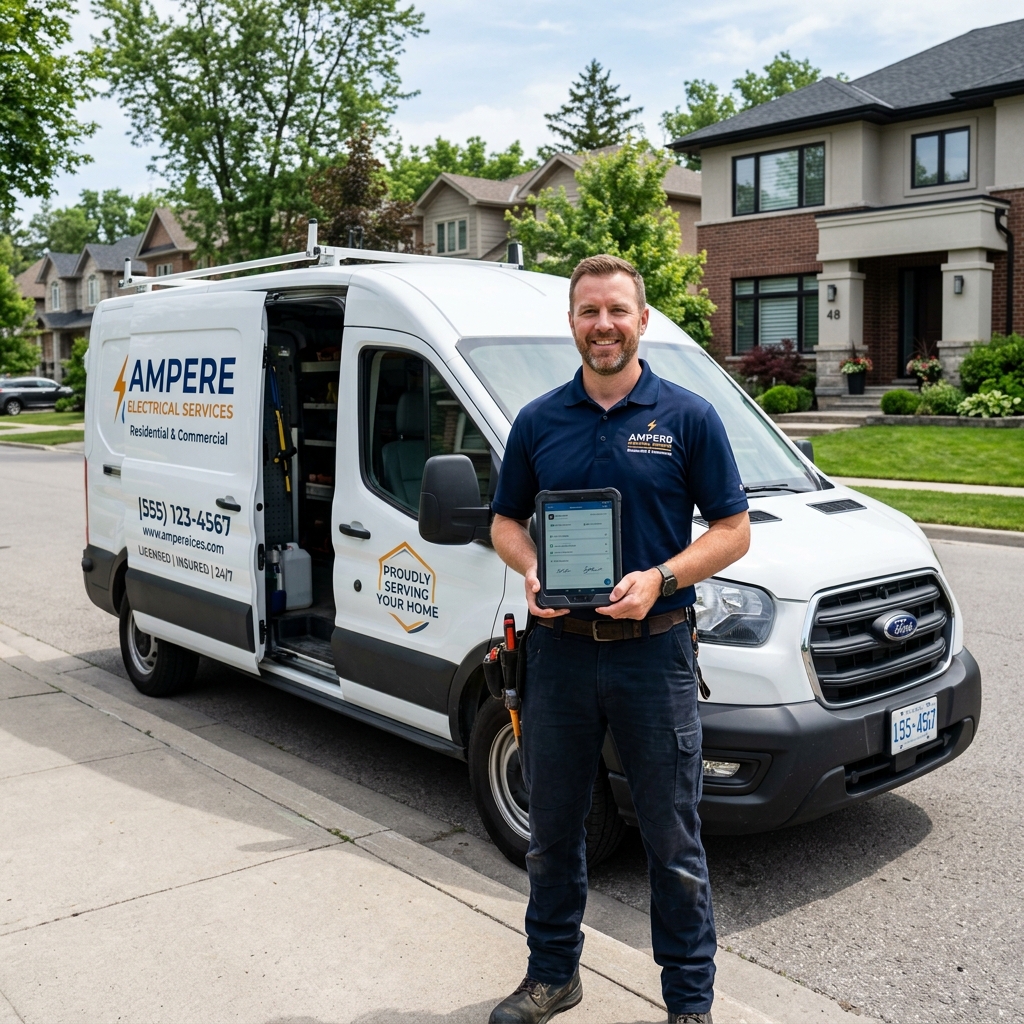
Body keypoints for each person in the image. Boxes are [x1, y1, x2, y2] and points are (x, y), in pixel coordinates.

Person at [488, 254, 751, 1024]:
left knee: (672, 840)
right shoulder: (538, 420)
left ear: (642, 320)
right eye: (588, 312)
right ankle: (551, 976)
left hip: (655, 654)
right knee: (554, 830)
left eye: (616, 311)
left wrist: (662, 580)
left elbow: (733, 533)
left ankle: (689, 1004)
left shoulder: (688, 417)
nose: (603, 325)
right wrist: (532, 568)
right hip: (560, 654)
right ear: (572, 323)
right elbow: (505, 520)